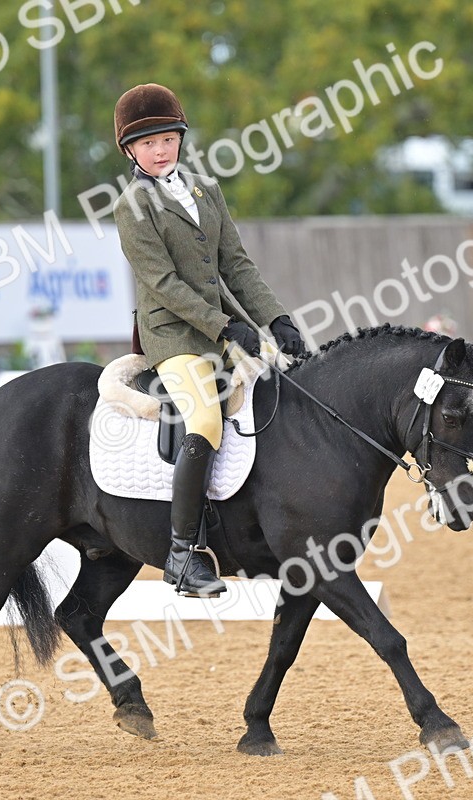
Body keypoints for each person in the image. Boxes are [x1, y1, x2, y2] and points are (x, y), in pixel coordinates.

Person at [112, 83, 305, 598]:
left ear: (179, 138)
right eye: (148, 143)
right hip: (173, 335)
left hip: (219, 331)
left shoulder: (206, 191)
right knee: (203, 417)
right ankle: (183, 555)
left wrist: (276, 319)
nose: (160, 149)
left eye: (167, 138)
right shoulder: (133, 205)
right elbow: (164, 285)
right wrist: (225, 326)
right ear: (131, 150)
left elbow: (236, 266)